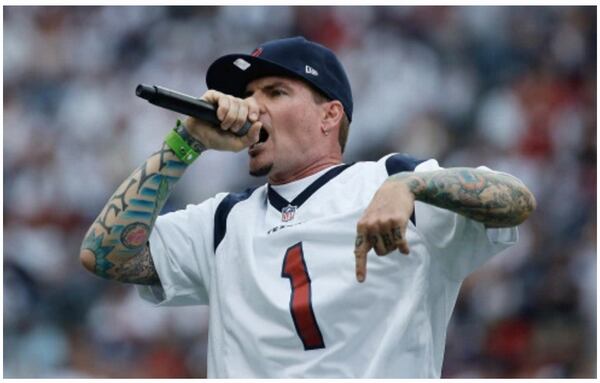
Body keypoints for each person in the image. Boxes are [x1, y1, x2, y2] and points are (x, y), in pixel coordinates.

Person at [80, 36, 536, 378]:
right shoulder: (222, 221)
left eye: (275, 92)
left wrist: (413, 186)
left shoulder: (385, 179)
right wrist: (185, 143)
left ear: (329, 115)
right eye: (248, 95)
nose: (251, 108)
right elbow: (103, 254)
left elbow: (517, 200)